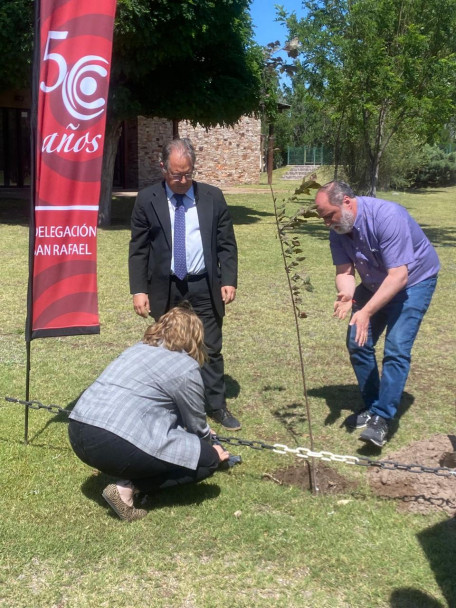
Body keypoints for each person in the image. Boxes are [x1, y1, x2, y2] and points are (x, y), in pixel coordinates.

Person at [68, 306, 230, 522]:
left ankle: (125, 474)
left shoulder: (136, 349)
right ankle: (127, 488)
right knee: (207, 460)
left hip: (78, 431)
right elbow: (196, 423)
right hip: (113, 442)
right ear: (195, 336)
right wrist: (210, 447)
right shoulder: (186, 366)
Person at [315, 181, 440, 447]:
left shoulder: (388, 217)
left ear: (347, 202)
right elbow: (345, 272)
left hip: (413, 281)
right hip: (374, 282)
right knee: (356, 341)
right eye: (323, 218)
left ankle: (382, 419)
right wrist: (348, 295)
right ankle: (373, 406)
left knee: (396, 348)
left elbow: (398, 276)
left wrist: (366, 311)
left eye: (329, 215)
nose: (327, 223)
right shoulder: (338, 230)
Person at [128, 138, 240, 430]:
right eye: (176, 174)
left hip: (204, 285)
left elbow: (227, 244)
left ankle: (216, 405)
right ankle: (169, 406)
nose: (182, 180)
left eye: (188, 173)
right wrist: (138, 289)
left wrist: (228, 279)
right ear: (163, 167)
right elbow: (138, 249)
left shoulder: (213, 198)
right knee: (166, 348)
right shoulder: (147, 199)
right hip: (166, 288)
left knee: (211, 347)